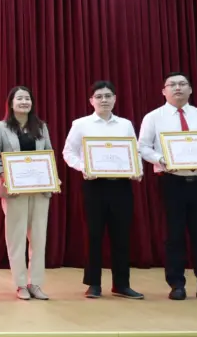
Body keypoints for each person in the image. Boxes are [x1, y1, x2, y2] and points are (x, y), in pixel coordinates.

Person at [138, 72, 197, 302]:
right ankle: (177, 284)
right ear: (164, 91)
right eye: (172, 84)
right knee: (174, 235)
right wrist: (162, 160)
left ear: (190, 89)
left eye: (182, 84)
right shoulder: (153, 117)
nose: (177, 88)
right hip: (171, 182)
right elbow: (143, 147)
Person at [62, 81, 144, 300]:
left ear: (115, 99)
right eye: (99, 96)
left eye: (108, 96)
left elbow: (134, 151)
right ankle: (94, 283)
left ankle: (121, 284)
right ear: (91, 101)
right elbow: (68, 152)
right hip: (94, 185)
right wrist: (84, 167)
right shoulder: (81, 124)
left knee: (121, 235)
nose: (104, 100)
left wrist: (138, 169)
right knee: (93, 235)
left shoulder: (125, 124)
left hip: (121, 185)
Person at [0, 86, 54, 301]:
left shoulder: (41, 127)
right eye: (20, 98)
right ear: (11, 103)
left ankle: (35, 283)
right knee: (16, 239)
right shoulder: (0, 128)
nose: (24, 102)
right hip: (13, 191)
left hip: (39, 190)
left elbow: (49, 154)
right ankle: (20, 284)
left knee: (38, 239)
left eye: (27, 98)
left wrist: (51, 177)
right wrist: (5, 177)